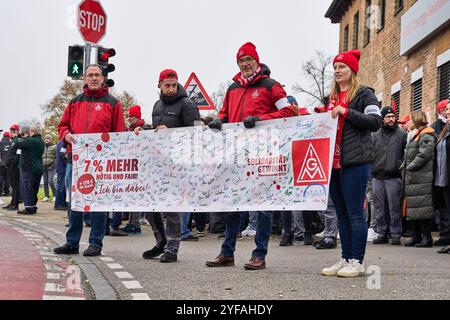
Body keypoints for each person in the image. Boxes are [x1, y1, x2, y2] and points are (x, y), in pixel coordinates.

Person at [205, 42, 296, 270]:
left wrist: (260, 119)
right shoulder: (232, 87)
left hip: (262, 153)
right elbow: (224, 112)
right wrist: (219, 119)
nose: (245, 64)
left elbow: (288, 111)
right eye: (241, 61)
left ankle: (259, 254)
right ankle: (227, 253)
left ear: (257, 61)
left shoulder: (270, 86)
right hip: (235, 153)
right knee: (234, 203)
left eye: (249, 60)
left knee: (262, 205)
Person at [319, 50, 382, 278]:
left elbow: (375, 122)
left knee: (356, 213)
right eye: (335, 67)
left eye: (342, 67)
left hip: (355, 161)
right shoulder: (330, 98)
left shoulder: (365, 94)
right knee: (341, 214)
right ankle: (345, 258)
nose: (337, 71)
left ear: (352, 70)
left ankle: (357, 260)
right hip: (333, 163)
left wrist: (345, 111)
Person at [54, 64, 126, 257]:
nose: (93, 78)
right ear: (84, 79)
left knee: (98, 202)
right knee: (75, 202)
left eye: (97, 75)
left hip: (100, 161)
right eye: (90, 75)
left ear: (103, 78)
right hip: (75, 160)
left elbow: (120, 134)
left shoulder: (113, 103)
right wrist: (66, 135)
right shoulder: (74, 102)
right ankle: (72, 243)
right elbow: (62, 126)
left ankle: (95, 243)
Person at [140, 68, 201, 263]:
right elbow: (157, 133)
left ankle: (173, 247)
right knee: (149, 203)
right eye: (167, 85)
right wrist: (144, 130)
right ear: (159, 85)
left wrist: (172, 131)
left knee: (172, 205)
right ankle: (161, 241)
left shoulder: (188, 104)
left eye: (174, 85)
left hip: (179, 162)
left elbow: (196, 133)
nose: (171, 89)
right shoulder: (157, 105)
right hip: (158, 163)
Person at [371, 106, 407, 245]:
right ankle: (382, 233)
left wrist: (399, 165)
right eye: (388, 117)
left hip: (393, 176)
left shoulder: (402, 134)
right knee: (379, 207)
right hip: (377, 176)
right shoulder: (375, 134)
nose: (391, 119)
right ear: (383, 118)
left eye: (393, 116)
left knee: (394, 206)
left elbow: (406, 154)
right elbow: (370, 151)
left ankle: (395, 233)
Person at [402, 111, 436, 248]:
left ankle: (427, 238)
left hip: (421, 177)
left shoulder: (426, 134)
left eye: (411, 119)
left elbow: (425, 154)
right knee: (414, 208)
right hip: (414, 177)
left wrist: (410, 166)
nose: (409, 122)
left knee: (422, 209)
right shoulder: (418, 134)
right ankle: (416, 236)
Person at [121, 105, 152, 235]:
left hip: (142, 166)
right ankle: (132, 222)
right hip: (131, 165)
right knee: (131, 194)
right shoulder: (130, 130)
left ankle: (135, 223)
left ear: (137, 117)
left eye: (131, 116)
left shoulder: (145, 128)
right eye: (127, 116)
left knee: (136, 195)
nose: (129, 118)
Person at [432, 100, 450, 247]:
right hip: (440, 174)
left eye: (449, 109)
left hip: (446, 174)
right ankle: (446, 236)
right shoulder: (438, 128)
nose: (447, 112)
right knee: (443, 206)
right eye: (445, 109)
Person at [15, 125, 45, 214]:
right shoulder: (41, 141)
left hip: (29, 167)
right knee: (34, 188)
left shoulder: (31, 140)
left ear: (33, 132)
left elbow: (18, 144)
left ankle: (29, 207)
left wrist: (18, 135)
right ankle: (33, 206)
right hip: (38, 167)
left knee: (27, 187)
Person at [4, 124, 21, 211]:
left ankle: (15, 204)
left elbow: (18, 154)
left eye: (13, 130)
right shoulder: (13, 141)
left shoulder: (17, 140)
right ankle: (12, 202)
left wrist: (13, 163)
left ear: (16, 131)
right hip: (10, 165)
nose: (11, 132)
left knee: (15, 185)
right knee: (13, 185)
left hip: (14, 166)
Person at [42, 134, 56, 202]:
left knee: (51, 182)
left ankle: (55, 195)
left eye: (48, 138)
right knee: (45, 182)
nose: (46, 140)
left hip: (51, 167)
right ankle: (46, 196)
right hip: (44, 166)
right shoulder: (42, 147)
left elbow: (56, 158)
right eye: (45, 138)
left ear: (50, 140)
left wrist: (53, 165)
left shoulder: (54, 147)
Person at [54, 140, 67, 210]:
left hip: (62, 167)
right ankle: (58, 204)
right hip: (62, 168)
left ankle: (62, 203)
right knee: (61, 186)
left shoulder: (61, 142)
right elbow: (62, 154)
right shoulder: (62, 142)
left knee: (62, 186)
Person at [0, 131, 12, 196]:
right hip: (8, 163)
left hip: (1, 162)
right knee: (8, 178)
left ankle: (0, 191)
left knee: (1, 177)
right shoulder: (11, 143)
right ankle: (7, 192)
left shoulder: (0, 143)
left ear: (3, 136)